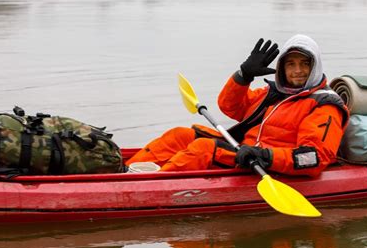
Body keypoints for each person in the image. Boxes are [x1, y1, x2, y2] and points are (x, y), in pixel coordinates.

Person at [126, 34, 349, 177]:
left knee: (203, 149)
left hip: (263, 164)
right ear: (282, 67)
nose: (297, 71)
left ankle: (148, 185)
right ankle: (125, 172)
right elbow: (230, 107)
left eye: (304, 64)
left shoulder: (325, 106)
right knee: (181, 135)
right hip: (244, 151)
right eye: (291, 64)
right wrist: (243, 76)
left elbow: (314, 157)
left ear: (315, 66)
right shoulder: (275, 93)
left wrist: (267, 156)